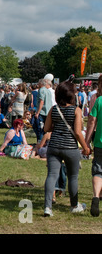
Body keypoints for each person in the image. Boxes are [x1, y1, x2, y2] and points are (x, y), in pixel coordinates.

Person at [43, 80, 91, 217]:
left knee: (51, 176)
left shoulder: (54, 109)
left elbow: (46, 128)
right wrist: (86, 147)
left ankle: (48, 207)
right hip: (70, 147)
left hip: (54, 146)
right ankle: (74, 205)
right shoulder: (76, 110)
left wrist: (57, 128)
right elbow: (77, 132)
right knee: (73, 176)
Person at [85, 76, 102, 217]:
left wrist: (86, 141)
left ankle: (96, 196)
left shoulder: (99, 101)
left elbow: (91, 121)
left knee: (98, 170)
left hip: (100, 142)